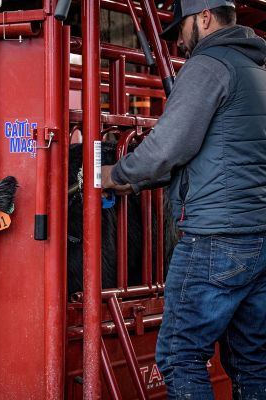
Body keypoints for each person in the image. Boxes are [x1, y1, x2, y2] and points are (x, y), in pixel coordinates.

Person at [102, 0, 266, 398]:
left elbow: (165, 149)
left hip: (214, 239)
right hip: (258, 237)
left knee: (179, 354)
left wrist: (115, 175)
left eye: (182, 27)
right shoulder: (257, 69)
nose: (180, 41)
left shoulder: (209, 66)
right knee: (252, 359)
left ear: (205, 17)